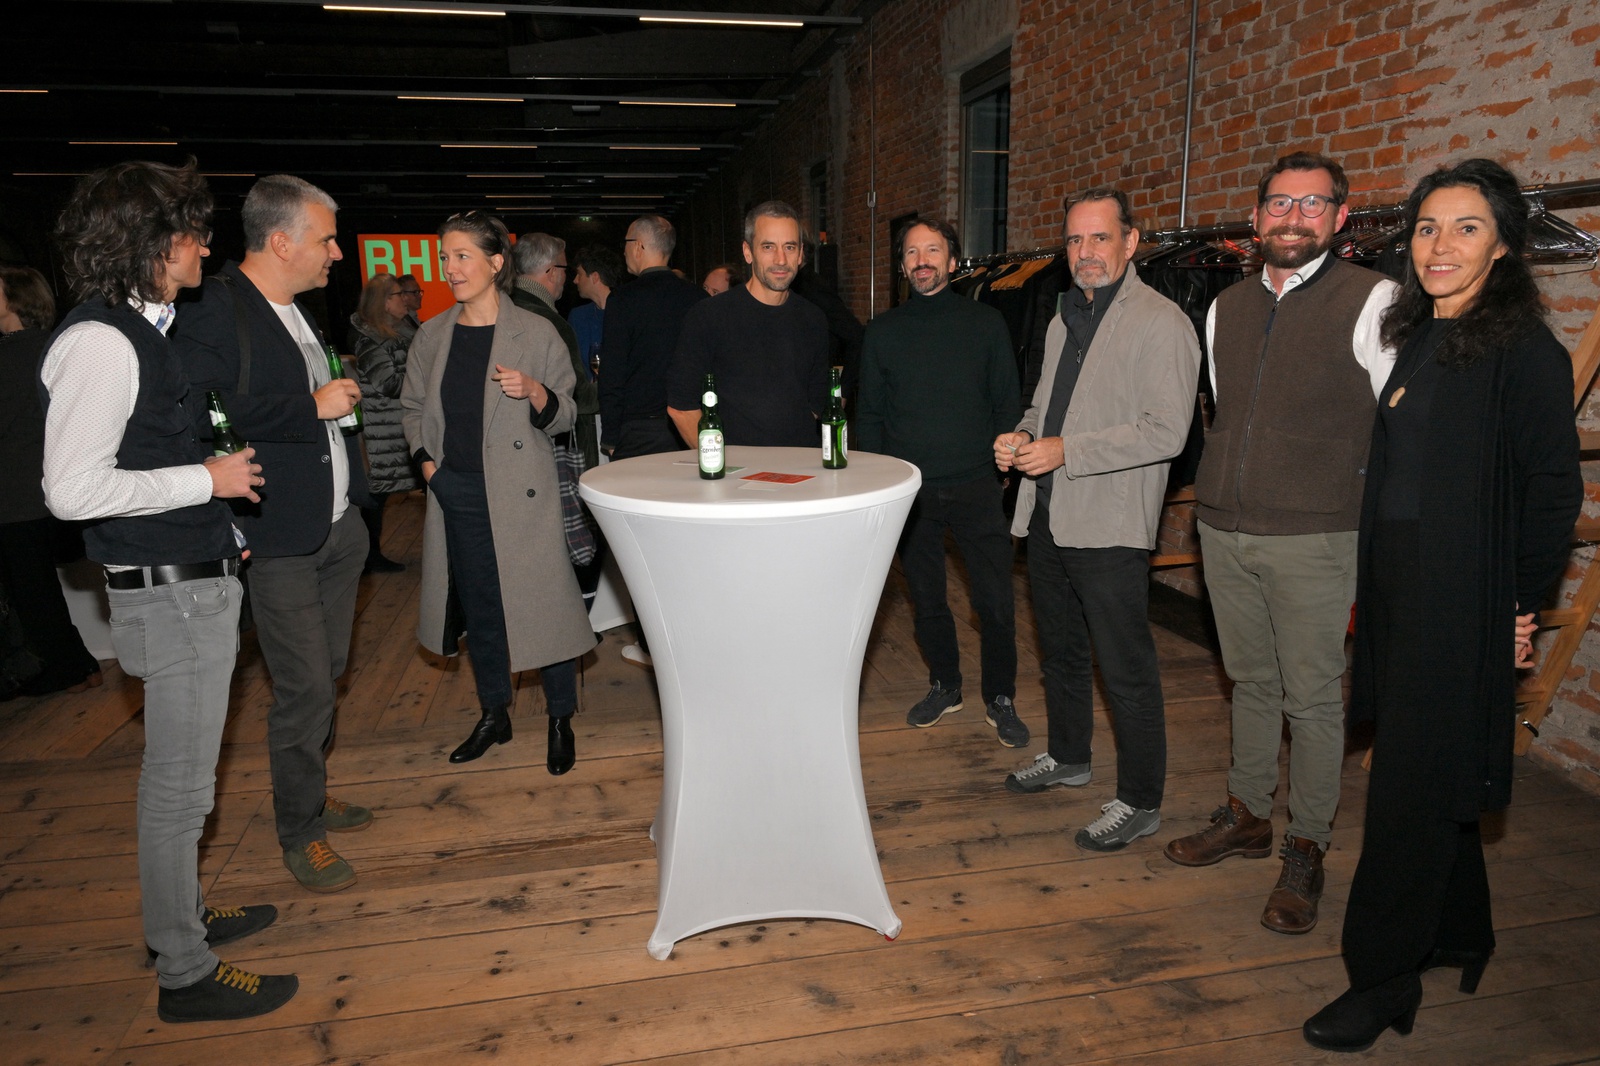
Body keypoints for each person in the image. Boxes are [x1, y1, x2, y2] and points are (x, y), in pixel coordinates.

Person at [1303, 159, 1581, 1052]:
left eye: (1466, 227)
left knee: (1403, 792)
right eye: (1427, 227)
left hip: (1461, 600)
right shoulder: (1420, 335)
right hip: (1399, 589)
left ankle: (1381, 980)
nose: (1440, 245)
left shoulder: (1526, 353)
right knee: (1434, 771)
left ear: (1503, 246)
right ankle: (1460, 931)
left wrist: (1519, 604)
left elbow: (1552, 492)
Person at [39, 159, 294, 1022]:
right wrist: (206, 483)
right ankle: (184, 970)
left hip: (187, 586)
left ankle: (178, 913)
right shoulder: (102, 342)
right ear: (151, 244)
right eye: (191, 232)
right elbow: (72, 490)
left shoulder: (139, 331)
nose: (205, 248)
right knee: (180, 791)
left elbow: (139, 460)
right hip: (170, 598)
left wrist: (218, 522)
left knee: (187, 785)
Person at [1164, 153, 1400, 935]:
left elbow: (1399, 424)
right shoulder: (1224, 306)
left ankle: (1307, 844)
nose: (1293, 217)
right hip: (1224, 527)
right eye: (1279, 203)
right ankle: (1247, 813)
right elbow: (1227, 412)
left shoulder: (1373, 300)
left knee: (1314, 697)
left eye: (1311, 204)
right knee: (1250, 681)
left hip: (1316, 536)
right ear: (1256, 214)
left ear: (1340, 217)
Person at [171, 174, 375, 895]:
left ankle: (308, 785)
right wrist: (309, 406)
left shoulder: (298, 312)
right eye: (327, 239)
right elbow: (198, 413)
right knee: (305, 688)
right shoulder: (216, 308)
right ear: (282, 241)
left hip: (336, 530)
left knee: (328, 673)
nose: (337, 254)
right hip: (279, 538)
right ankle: (300, 828)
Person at [994, 189, 1199, 852]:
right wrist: (1022, 436)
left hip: (1109, 524)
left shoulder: (1161, 322)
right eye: (1075, 240)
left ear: (1131, 242)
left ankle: (1140, 800)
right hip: (1050, 513)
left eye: (1100, 238)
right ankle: (1069, 755)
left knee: (1125, 668)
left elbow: (1166, 431)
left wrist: (1066, 451)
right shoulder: (1064, 318)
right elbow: (1048, 407)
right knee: (1060, 651)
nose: (1085, 252)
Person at [401, 211, 596, 776]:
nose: (450, 268)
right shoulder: (433, 335)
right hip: (457, 491)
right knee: (482, 608)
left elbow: (568, 414)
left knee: (545, 606)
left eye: (462, 256)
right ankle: (495, 713)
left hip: (523, 495)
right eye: (445, 257)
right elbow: (411, 408)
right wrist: (429, 468)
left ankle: (560, 718)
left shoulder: (535, 332)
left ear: (495, 262)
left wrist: (536, 392)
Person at [856, 218, 1026, 748]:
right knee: (927, 599)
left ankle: (1000, 696)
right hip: (911, 491)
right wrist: (878, 487)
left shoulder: (986, 323)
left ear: (953, 262)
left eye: (933, 250)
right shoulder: (882, 331)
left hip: (978, 483)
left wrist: (1003, 465)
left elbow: (1007, 400)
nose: (922, 260)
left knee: (994, 600)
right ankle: (945, 684)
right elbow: (870, 416)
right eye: (912, 252)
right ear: (902, 265)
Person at [0, 264, 103, 696]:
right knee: (40, 590)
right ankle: (79, 666)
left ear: (15, 300)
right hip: (58, 485)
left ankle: (67, 671)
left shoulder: (9, 356)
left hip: (15, 497)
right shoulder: (57, 346)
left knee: (32, 593)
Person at [667, 201, 829, 448]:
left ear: (800, 255)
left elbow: (817, 401)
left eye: (789, 247)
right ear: (747, 252)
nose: (780, 259)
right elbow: (681, 406)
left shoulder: (813, 319)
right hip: (735, 468)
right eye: (768, 247)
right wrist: (719, 462)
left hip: (801, 465)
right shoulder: (709, 317)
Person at [599, 215, 703, 460]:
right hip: (689, 426)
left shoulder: (623, 300)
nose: (623, 251)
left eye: (626, 243)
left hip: (638, 431)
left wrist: (611, 435)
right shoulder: (698, 298)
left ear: (638, 246)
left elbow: (612, 372)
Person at [350, 272, 421, 573]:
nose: (405, 299)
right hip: (384, 431)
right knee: (376, 495)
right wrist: (424, 379)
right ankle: (369, 556)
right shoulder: (370, 339)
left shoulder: (403, 330)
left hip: (398, 426)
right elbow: (388, 383)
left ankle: (371, 555)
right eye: (398, 294)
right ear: (383, 302)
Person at [512, 232, 598, 469]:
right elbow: (578, 397)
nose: (567, 278)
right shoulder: (552, 324)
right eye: (565, 269)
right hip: (548, 450)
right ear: (551, 272)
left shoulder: (500, 311)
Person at [568, 243, 622, 389]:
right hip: (589, 399)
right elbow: (571, 366)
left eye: (579, 274)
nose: (575, 280)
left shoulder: (627, 313)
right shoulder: (578, 317)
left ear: (595, 277)